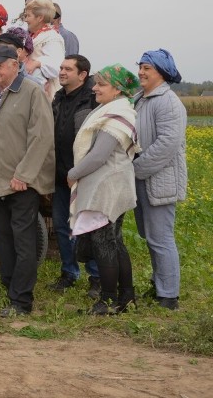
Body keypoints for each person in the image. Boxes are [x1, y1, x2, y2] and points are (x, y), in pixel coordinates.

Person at [0, 45, 55, 317]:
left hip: (22, 184)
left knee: (24, 241)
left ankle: (21, 301)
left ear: (14, 65)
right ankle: (9, 288)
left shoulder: (32, 93)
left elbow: (41, 138)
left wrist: (24, 175)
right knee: (2, 239)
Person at [68, 64, 140, 314]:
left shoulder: (117, 116)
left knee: (104, 243)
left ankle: (108, 300)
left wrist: (73, 174)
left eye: (101, 84)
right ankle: (126, 297)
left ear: (118, 89)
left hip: (107, 186)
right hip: (109, 184)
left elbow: (99, 156)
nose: (95, 88)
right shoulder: (111, 109)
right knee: (114, 242)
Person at [132, 49, 187, 310]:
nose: (141, 72)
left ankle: (169, 297)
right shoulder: (141, 98)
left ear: (161, 73)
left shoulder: (168, 102)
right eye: (140, 66)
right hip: (143, 177)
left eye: (147, 68)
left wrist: (136, 168)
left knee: (161, 237)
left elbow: (167, 145)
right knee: (150, 235)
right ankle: (159, 285)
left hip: (158, 179)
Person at [50, 55, 101, 296]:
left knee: (88, 226)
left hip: (84, 176)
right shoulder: (59, 97)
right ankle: (68, 272)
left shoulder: (93, 100)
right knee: (61, 226)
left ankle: (97, 277)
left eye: (68, 69)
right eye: (61, 68)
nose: (61, 72)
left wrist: (81, 171)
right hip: (60, 175)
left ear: (82, 74)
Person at [22, 0, 65, 101]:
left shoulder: (52, 37)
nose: (26, 19)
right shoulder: (33, 36)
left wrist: (37, 63)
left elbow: (56, 66)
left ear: (40, 17)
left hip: (46, 94)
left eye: (28, 16)